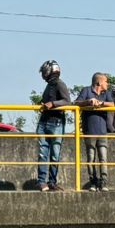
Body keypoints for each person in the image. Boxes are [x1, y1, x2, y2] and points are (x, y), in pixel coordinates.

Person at [34, 59, 75, 191]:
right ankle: (41, 181)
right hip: (44, 122)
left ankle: (52, 181)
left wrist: (53, 104)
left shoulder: (59, 84)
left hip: (56, 123)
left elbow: (67, 101)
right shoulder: (49, 85)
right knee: (42, 153)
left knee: (54, 154)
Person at [76, 72, 115, 192]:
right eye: (105, 81)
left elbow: (113, 104)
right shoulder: (86, 91)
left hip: (102, 131)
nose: (107, 84)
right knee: (91, 158)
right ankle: (93, 182)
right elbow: (76, 103)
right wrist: (89, 101)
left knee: (103, 158)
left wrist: (102, 103)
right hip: (89, 131)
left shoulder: (106, 94)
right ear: (99, 82)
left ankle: (103, 182)